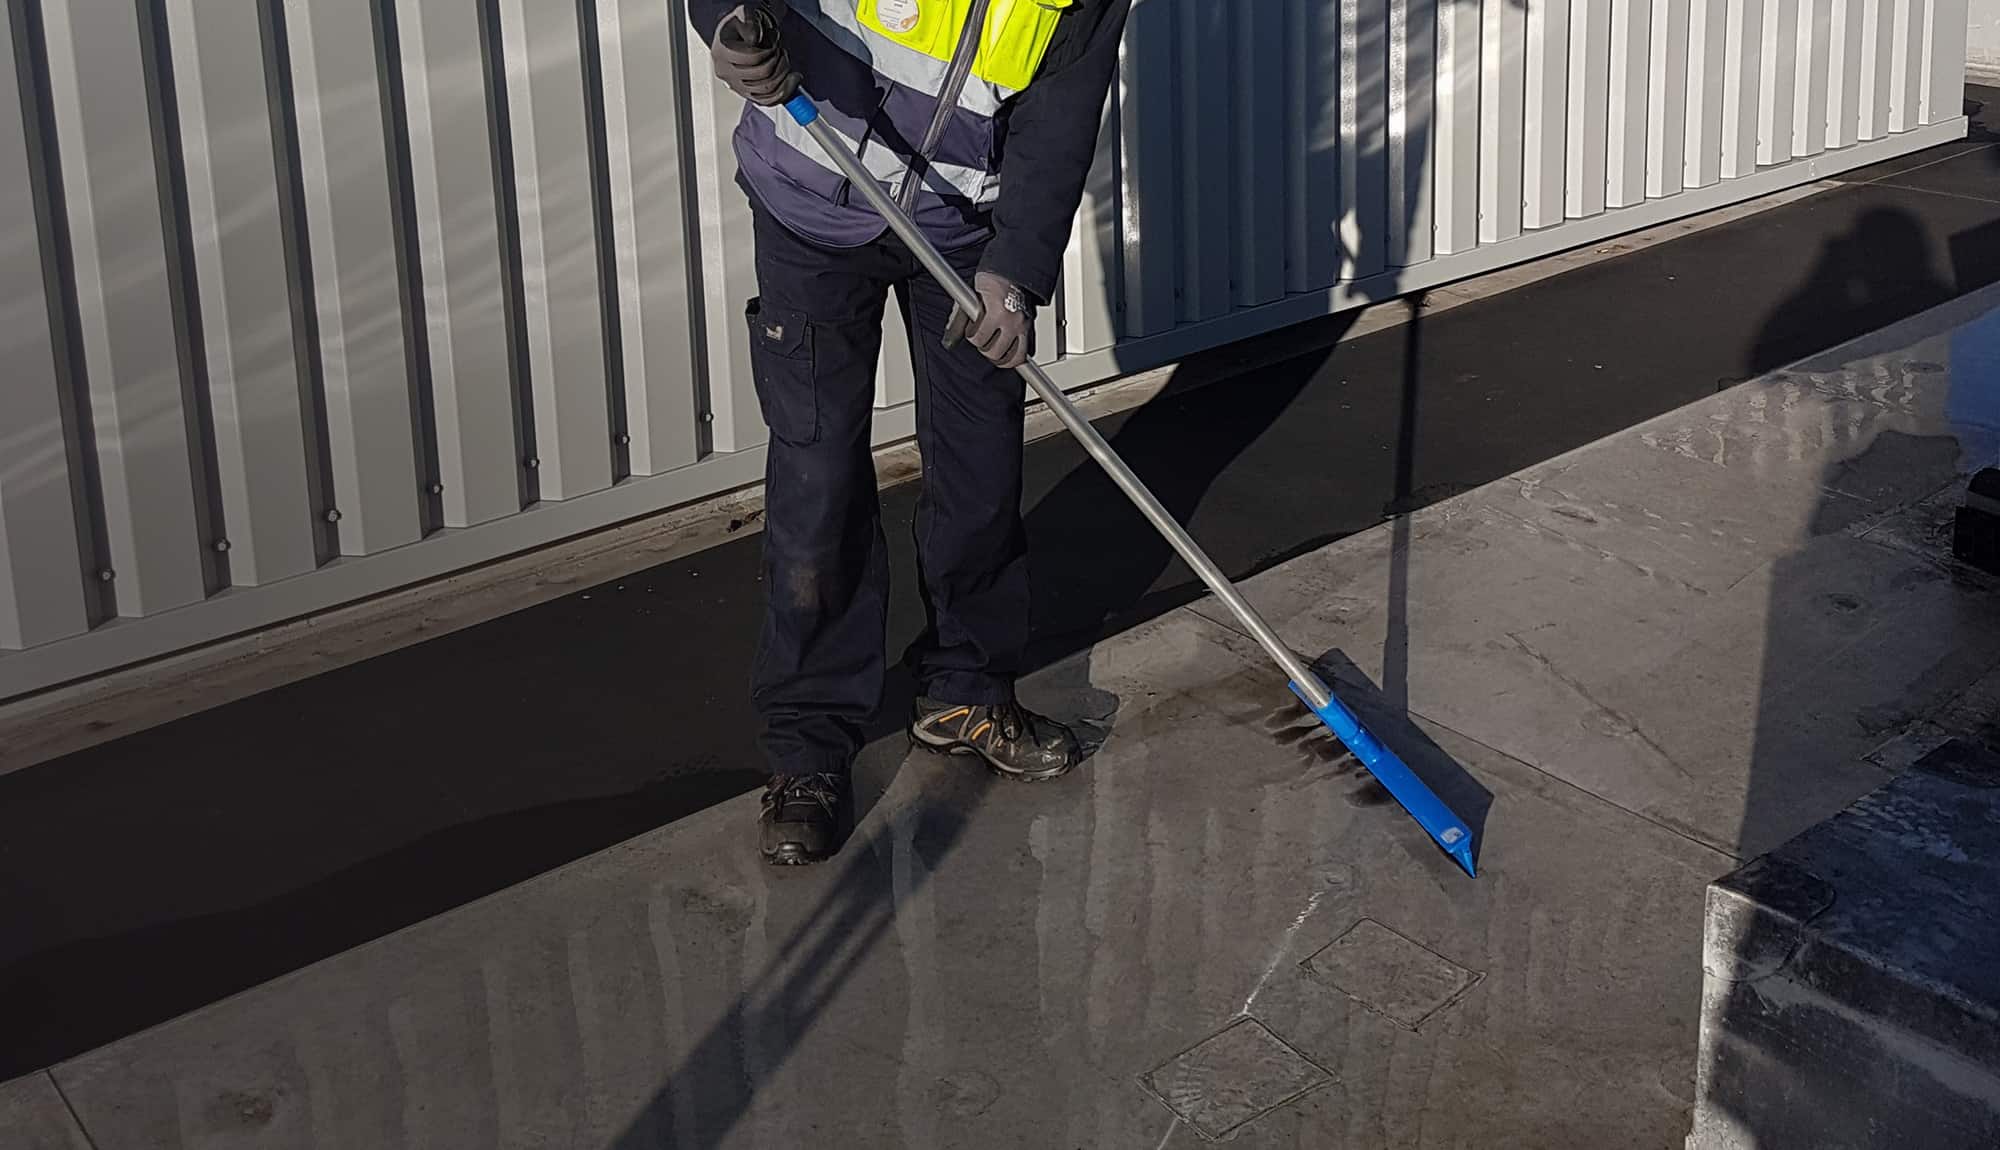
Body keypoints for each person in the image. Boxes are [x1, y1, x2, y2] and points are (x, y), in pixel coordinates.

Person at [685, 0, 1132, 864]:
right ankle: (809, 748)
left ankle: (964, 689)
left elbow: (1065, 103)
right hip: (811, 203)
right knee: (818, 482)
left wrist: (1017, 271)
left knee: (979, 469)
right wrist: (731, 23)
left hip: (962, 234)